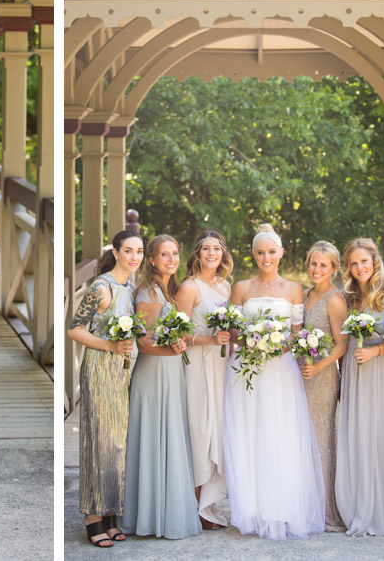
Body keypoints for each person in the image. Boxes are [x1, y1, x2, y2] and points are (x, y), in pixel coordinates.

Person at [222, 224, 324, 540]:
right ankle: (251, 508)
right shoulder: (239, 287)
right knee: (249, 432)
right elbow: (233, 331)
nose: (266, 257)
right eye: (260, 252)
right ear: (253, 254)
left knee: (280, 432)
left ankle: (282, 507)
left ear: (281, 253)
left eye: (271, 252)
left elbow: (296, 332)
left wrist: (278, 344)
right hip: (246, 369)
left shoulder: (294, 289)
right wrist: (251, 341)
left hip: (281, 369)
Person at [121, 234, 200, 539]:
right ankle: (151, 517)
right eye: (164, 255)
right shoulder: (151, 293)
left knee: (168, 439)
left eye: (175, 254)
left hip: (169, 371)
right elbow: (144, 342)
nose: (171, 259)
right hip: (153, 374)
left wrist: (176, 345)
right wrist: (174, 349)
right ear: (151, 260)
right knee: (154, 440)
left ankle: (163, 514)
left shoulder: (168, 290)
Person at [68, 230, 144, 548]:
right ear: (115, 252)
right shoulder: (102, 286)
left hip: (122, 373)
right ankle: (92, 516)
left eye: (139, 251)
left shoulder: (130, 287)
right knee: (99, 441)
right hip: (99, 370)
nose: (135, 257)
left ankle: (111, 511)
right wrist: (111, 346)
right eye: (128, 251)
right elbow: (74, 329)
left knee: (117, 444)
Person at [335, 238, 384, 536]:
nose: (359, 267)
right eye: (353, 263)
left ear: (375, 262)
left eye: (364, 261)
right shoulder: (346, 297)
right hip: (354, 370)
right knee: (357, 432)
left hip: (380, 370)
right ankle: (356, 503)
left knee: (381, 432)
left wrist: (375, 351)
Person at [174, 230, 233, 530]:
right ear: (197, 254)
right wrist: (209, 340)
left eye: (217, 249)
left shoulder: (226, 286)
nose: (212, 254)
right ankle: (196, 507)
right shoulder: (189, 287)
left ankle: (210, 504)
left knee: (218, 430)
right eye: (206, 249)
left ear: (224, 253)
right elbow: (178, 331)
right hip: (197, 364)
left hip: (222, 365)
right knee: (200, 431)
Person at [299, 241, 347, 532]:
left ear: (334, 268)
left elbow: (342, 345)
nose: (317, 269)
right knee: (302, 439)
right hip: (301, 374)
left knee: (320, 438)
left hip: (323, 375)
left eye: (323, 265)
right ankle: (304, 503)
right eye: (314, 263)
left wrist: (317, 366)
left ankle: (325, 509)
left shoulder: (334, 299)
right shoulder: (305, 295)